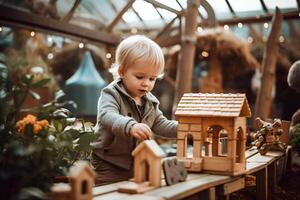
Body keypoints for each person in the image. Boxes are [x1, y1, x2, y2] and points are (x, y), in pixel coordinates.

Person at [91, 35, 178, 186]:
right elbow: (107, 115)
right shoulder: (111, 93)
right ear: (122, 71)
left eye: (152, 79)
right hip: (108, 164)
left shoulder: (150, 102)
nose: (146, 84)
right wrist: (130, 126)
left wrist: (184, 129)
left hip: (137, 162)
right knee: (108, 195)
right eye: (140, 77)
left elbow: (160, 124)